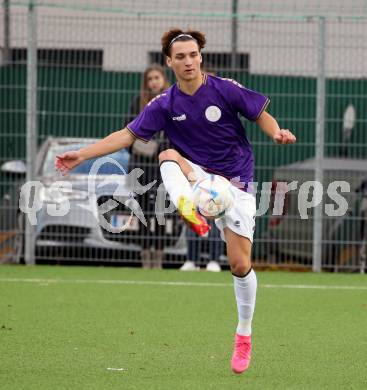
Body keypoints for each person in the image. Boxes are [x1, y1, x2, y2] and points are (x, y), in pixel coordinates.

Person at [55, 28, 296, 374]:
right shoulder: (165, 104)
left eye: (193, 55)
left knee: (240, 265)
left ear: (201, 57)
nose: (188, 61)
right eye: (180, 56)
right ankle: (190, 211)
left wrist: (275, 132)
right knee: (167, 153)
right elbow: (126, 135)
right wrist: (81, 155)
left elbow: (260, 114)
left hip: (237, 182)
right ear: (169, 62)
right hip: (196, 175)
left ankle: (244, 335)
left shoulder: (224, 89)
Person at [125, 64, 170, 269]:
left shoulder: (172, 101)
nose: (153, 82)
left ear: (163, 79)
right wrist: (144, 147)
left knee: (161, 210)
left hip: (163, 166)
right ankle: (145, 258)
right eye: (150, 79)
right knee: (142, 211)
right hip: (140, 166)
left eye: (156, 78)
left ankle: (158, 257)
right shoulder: (137, 103)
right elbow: (128, 133)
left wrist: (162, 148)